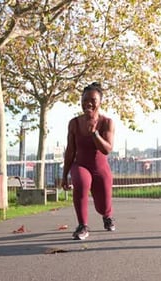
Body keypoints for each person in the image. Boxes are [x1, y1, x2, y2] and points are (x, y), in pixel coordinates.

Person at [61, 82, 116, 240]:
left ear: (100, 102)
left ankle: (107, 216)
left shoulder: (107, 122)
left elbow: (107, 149)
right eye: (84, 100)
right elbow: (70, 151)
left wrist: (95, 134)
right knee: (81, 182)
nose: (88, 103)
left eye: (92, 100)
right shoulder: (74, 123)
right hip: (81, 165)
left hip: (100, 168)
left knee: (103, 206)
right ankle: (82, 226)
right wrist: (65, 175)